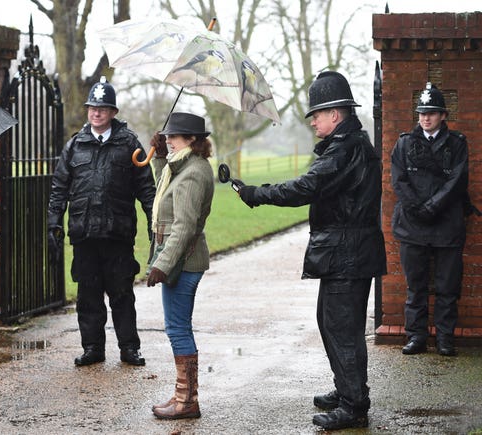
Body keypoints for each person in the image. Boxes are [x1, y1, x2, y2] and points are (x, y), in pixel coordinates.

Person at [234, 71, 387, 430]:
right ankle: (348, 389)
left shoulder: (344, 149)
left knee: (341, 328)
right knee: (332, 322)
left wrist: (258, 194)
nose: (313, 120)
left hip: (346, 252)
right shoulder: (349, 144)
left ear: (336, 114)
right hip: (347, 251)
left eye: (317, 114)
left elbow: (306, 186)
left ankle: (353, 405)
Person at [48, 76, 156, 367]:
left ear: (113, 112)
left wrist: (153, 222)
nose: (96, 112)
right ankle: (92, 348)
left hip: (117, 234)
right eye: (92, 107)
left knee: (122, 295)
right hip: (84, 235)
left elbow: (147, 188)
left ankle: (129, 348)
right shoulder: (74, 146)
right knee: (88, 297)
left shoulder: (130, 145)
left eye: (103, 108)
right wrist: (54, 223)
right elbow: (59, 188)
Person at [391, 83, 475, 357]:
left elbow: (457, 181)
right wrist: (420, 208)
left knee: (447, 287)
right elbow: (399, 181)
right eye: (422, 113)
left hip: (446, 225)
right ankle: (416, 337)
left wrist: (432, 207)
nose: (425, 118)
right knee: (415, 287)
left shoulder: (457, 144)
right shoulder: (404, 143)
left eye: (432, 113)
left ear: (443, 115)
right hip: (412, 225)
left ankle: (445, 338)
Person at [146, 112, 214, 420]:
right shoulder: (183, 167)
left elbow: (184, 226)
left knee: (177, 327)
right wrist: (160, 157)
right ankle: (183, 395)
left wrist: (162, 263)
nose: (168, 139)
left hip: (183, 261)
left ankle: (187, 401)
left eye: (173, 136)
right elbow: (167, 196)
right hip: (180, 259)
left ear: (191, 140)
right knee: (176, 326)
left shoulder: (194, 173)